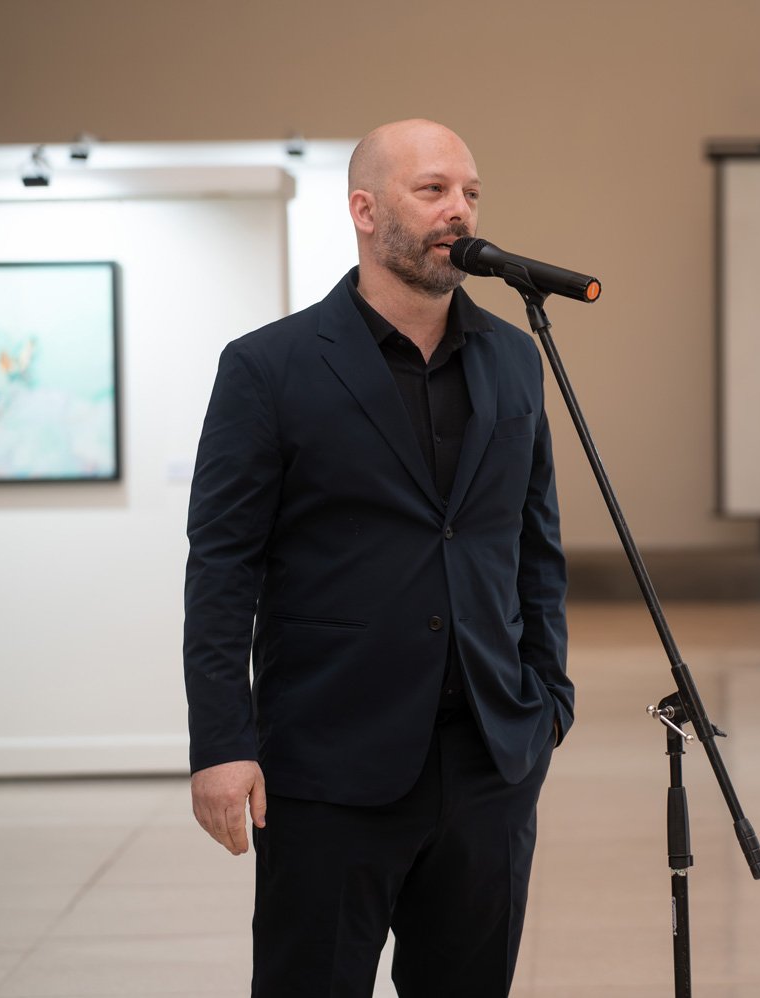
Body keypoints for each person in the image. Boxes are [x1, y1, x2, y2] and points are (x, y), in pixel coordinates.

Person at [182, 118, 572, 998]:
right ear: (364, 210)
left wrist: (547, 700)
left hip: (488, 760)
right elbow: (222, 568)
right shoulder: (268, 368)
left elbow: (533, 544)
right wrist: (220, 743)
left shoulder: (515, 359)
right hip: (327, 767)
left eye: (470, 192)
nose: (459, 211)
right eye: (432, 191)